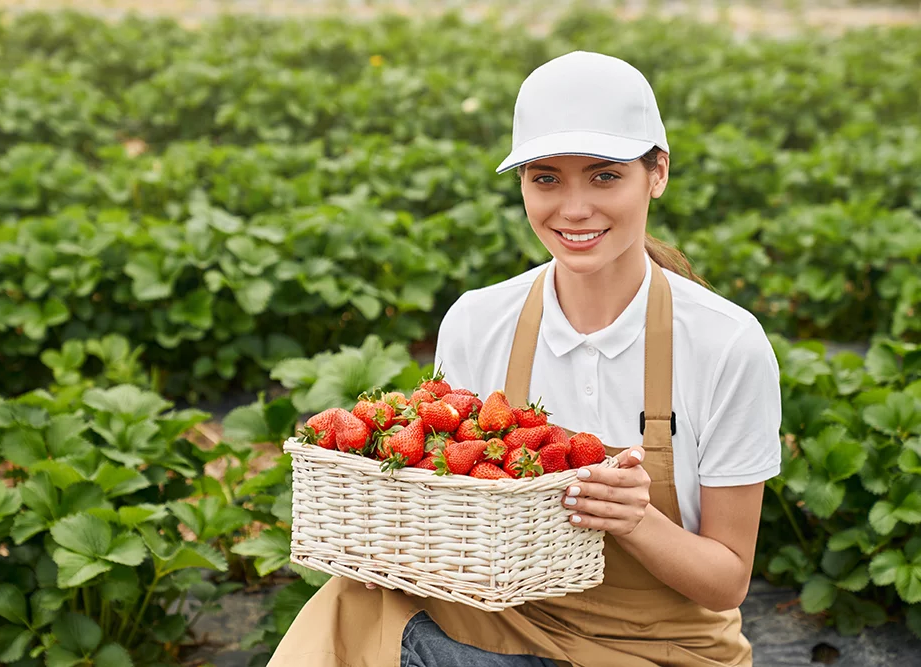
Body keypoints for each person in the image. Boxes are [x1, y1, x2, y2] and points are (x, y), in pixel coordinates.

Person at [268, 50, 782, 667]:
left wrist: (636, 519)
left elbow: (728, 581)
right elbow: (452, 515)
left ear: (658, 174)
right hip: (499, 625)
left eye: (604, 176)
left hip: (661, 650)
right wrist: (394, 553)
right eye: (545, 179)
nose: (572, 209)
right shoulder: (479, 321)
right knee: (349, 603)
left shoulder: (726, 344)